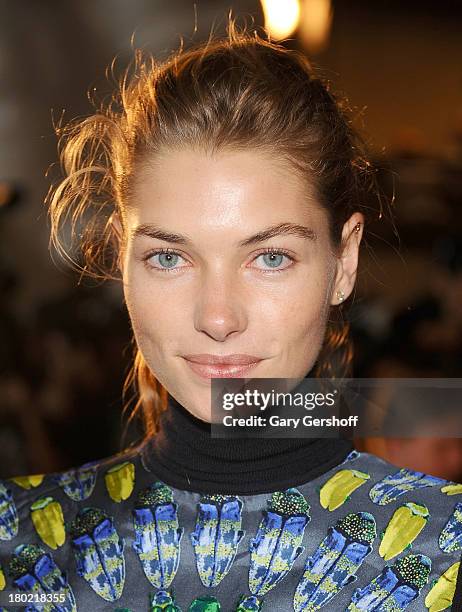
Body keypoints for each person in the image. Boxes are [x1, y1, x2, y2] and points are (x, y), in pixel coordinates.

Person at [1, 20, 461, 612]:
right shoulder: (18, 543)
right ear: (122, 258)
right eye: (169, 257)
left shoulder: (442, 548)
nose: (218, 317)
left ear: (343, 261)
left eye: (270, 257)